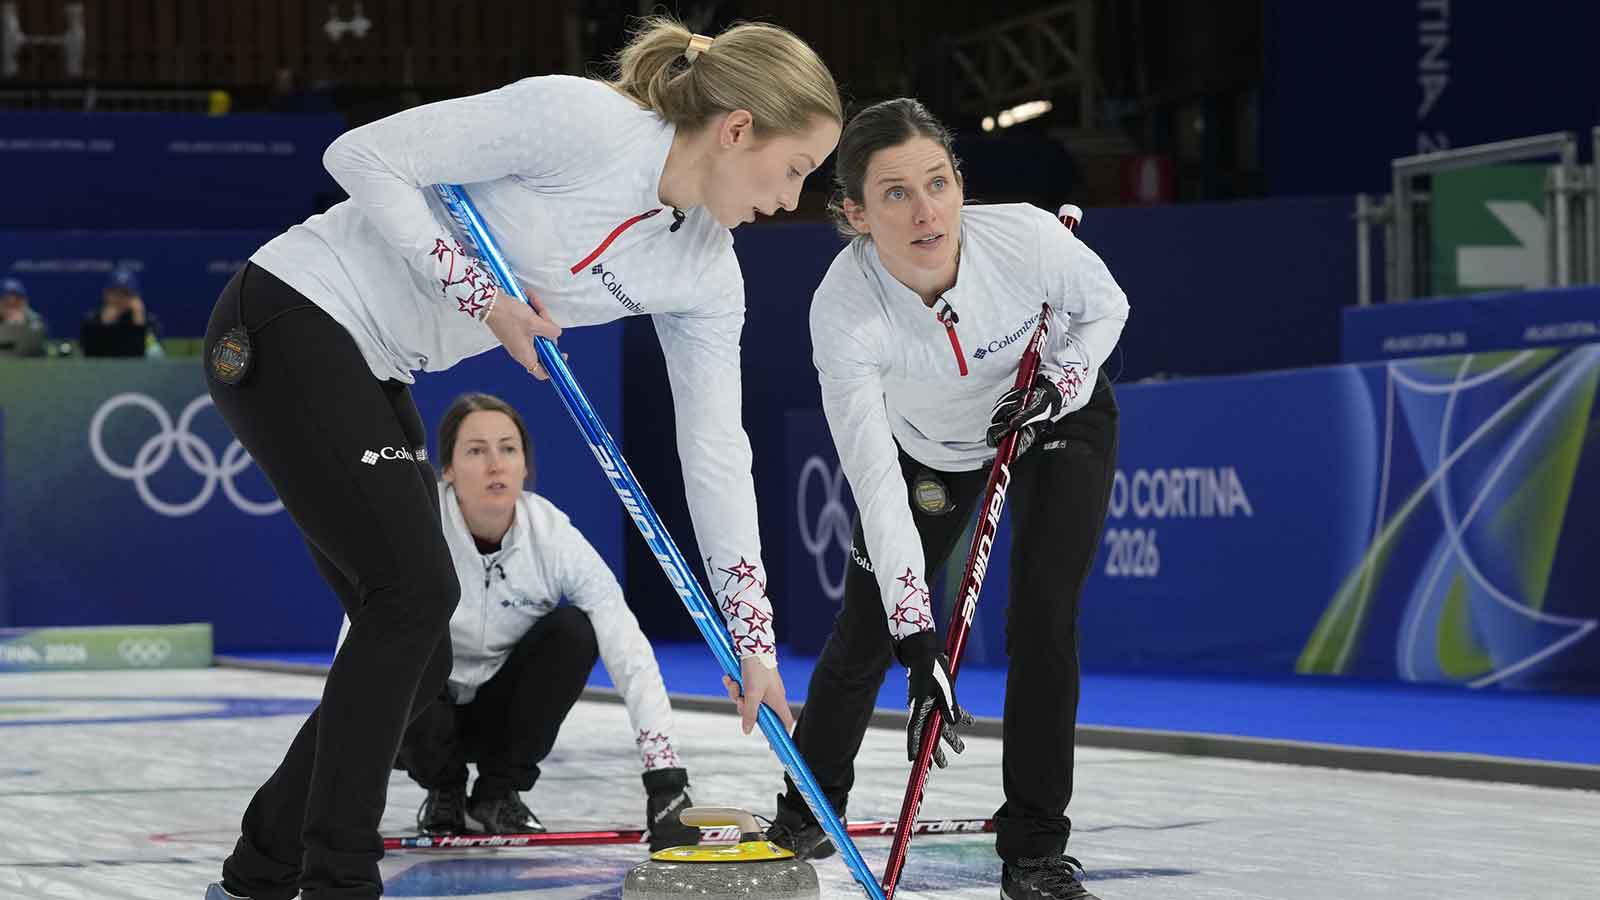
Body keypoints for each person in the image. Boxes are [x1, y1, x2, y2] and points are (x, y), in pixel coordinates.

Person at [200, 16, 842, 900]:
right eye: (796, 167)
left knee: (417, 649)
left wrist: (755, 642)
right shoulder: (584, 123)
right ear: (737, 130)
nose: (792, 197)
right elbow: (361, 157)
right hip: (288, 310)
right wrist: (484, 297)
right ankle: (337, 882)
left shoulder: (705, 269)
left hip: (378, 360)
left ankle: (255, 873)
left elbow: (716, 453)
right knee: (417, 594)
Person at [747, 99, 1128, 900]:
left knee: (1043, 618)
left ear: (960, 183)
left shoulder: (1022, 237)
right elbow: (876, 482)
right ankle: (811, 806)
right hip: (933, 453)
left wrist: (1058, 387)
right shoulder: (845, 311)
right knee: (865, 630)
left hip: (1057, 417)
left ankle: (1033, 848)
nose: (926, 211)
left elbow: (1106, 309)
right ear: (852, 213)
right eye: (894, 194)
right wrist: (919, 643)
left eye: (939, 182)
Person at [345, 392, 700, 851]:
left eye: (508, 449)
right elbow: (358, 647)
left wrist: (665, 777)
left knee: (575, 629)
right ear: (448, 470)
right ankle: (444, 792)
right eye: (476, 450)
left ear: (525, 466)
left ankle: (497, 795)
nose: (496, 464)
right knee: (396, 636)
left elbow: (626, 643)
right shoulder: (415, 528)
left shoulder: (553, 535)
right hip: (422, 719)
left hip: (502, 714)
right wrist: (346, 791)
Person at [80, 266, 163, 357]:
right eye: (115, 293)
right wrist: (104, 326)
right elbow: (89, 356)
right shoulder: (92, 320)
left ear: (135, 296)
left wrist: (139, 325)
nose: (120, 299)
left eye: (125, 293)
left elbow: (155, 356)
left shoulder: (148, 321)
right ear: (106, 294)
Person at [0, 277, 49, 358]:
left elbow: (37, 348)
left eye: (17, 301)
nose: (12, 305)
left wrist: (20, 326)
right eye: (6, 301)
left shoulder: (34, 320)